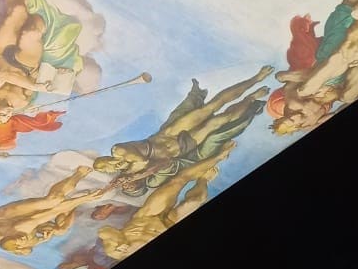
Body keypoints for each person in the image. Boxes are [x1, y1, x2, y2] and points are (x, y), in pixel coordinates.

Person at [92, 67, 271, 193]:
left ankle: (255, 78)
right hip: (183, 146)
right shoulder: (128, 173)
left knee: (211, 106)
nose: (109, 170)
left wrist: (131, 172)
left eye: (105, 167)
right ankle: (250, 98)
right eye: (107, 172)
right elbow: (160, 165)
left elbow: (142, 160)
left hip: (170, 133)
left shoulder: (118, 150)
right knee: (220, 120)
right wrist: (133, 175)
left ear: (106, 160)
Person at [98, 142, 235, 260]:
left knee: (177, 181)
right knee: (195, 201)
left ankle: (219, 156)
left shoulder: (116, 253)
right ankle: (203, 180)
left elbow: (104, 231)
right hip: (170, 223)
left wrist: (119, 241)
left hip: (148, 215)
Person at [0, 165, 112, 256]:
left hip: (6, 215)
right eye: (22, 242)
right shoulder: (22, 245)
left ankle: (79, 173)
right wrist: (45, 238)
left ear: (12, 235)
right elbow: (30, 246)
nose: (22, 239)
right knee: (60, 231)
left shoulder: (21, 227)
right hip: (24, 225)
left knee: (52, 201)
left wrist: (85, 198)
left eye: (19, 238)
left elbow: (53, 211)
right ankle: (73, 206)